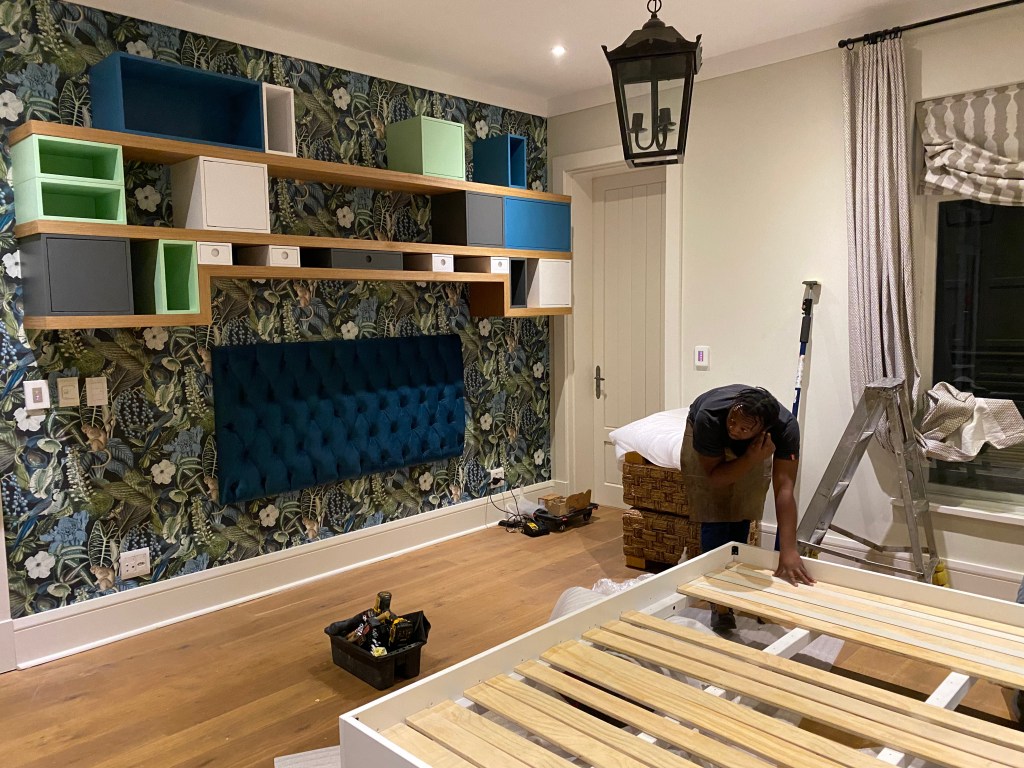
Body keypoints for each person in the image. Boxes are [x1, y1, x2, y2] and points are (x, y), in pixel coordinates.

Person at [682, 384, 815, 631]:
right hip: (710, 441)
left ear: (763, 431)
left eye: (743, 428)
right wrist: (751, 458)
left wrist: (788, 550)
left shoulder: (785, 429)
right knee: (714, 511)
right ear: (733, 409)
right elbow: (715, 478)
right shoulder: (710, 417)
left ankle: (736, 580)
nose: (734, 429)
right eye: (732, 421)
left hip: (756, 447)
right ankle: (718, 602)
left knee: (743, 508)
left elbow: (784, 489)